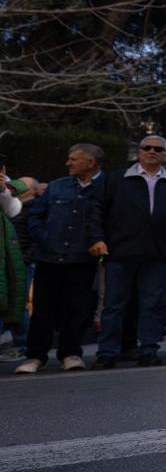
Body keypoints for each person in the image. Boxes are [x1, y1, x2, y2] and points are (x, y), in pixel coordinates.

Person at [86, 134, 166, 368]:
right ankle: (107, 353)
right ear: (139, 151)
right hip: (120, 253)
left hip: (158, 255)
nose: (152, 151)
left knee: (154, 305)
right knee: (114, 306)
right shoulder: (116, 179)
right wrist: (98, 239)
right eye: (147, 147)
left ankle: (149, 350)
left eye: (158, 148)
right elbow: (97, 210)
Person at [15, 144, 104, 374]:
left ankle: (71, 353)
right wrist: (44, 237)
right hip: (49, 258)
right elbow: (35, 216)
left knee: (76, 309)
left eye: (74, 159)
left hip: (82, 260)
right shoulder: (56, 187)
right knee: (42, 309)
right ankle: (35, 356)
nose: (68, 163)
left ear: (91, 162)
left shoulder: (107, 188)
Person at [0, 166, 29, 364]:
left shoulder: (8, 184)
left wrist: (3, 189)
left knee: (11, 299)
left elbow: (13, 210)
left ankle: (23, 344)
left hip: (6, 253)